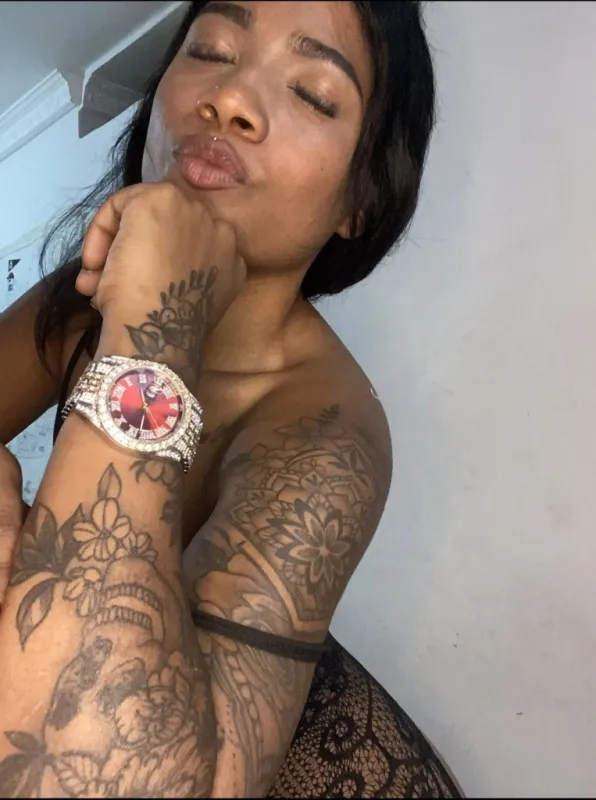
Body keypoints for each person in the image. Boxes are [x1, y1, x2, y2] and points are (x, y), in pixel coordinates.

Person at [0, 1, 462, 796]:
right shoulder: (82, 297)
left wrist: (156, 327)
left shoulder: (329, 438)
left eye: (313, 93)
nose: (231, 99)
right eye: (210, 50)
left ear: (361, 200)